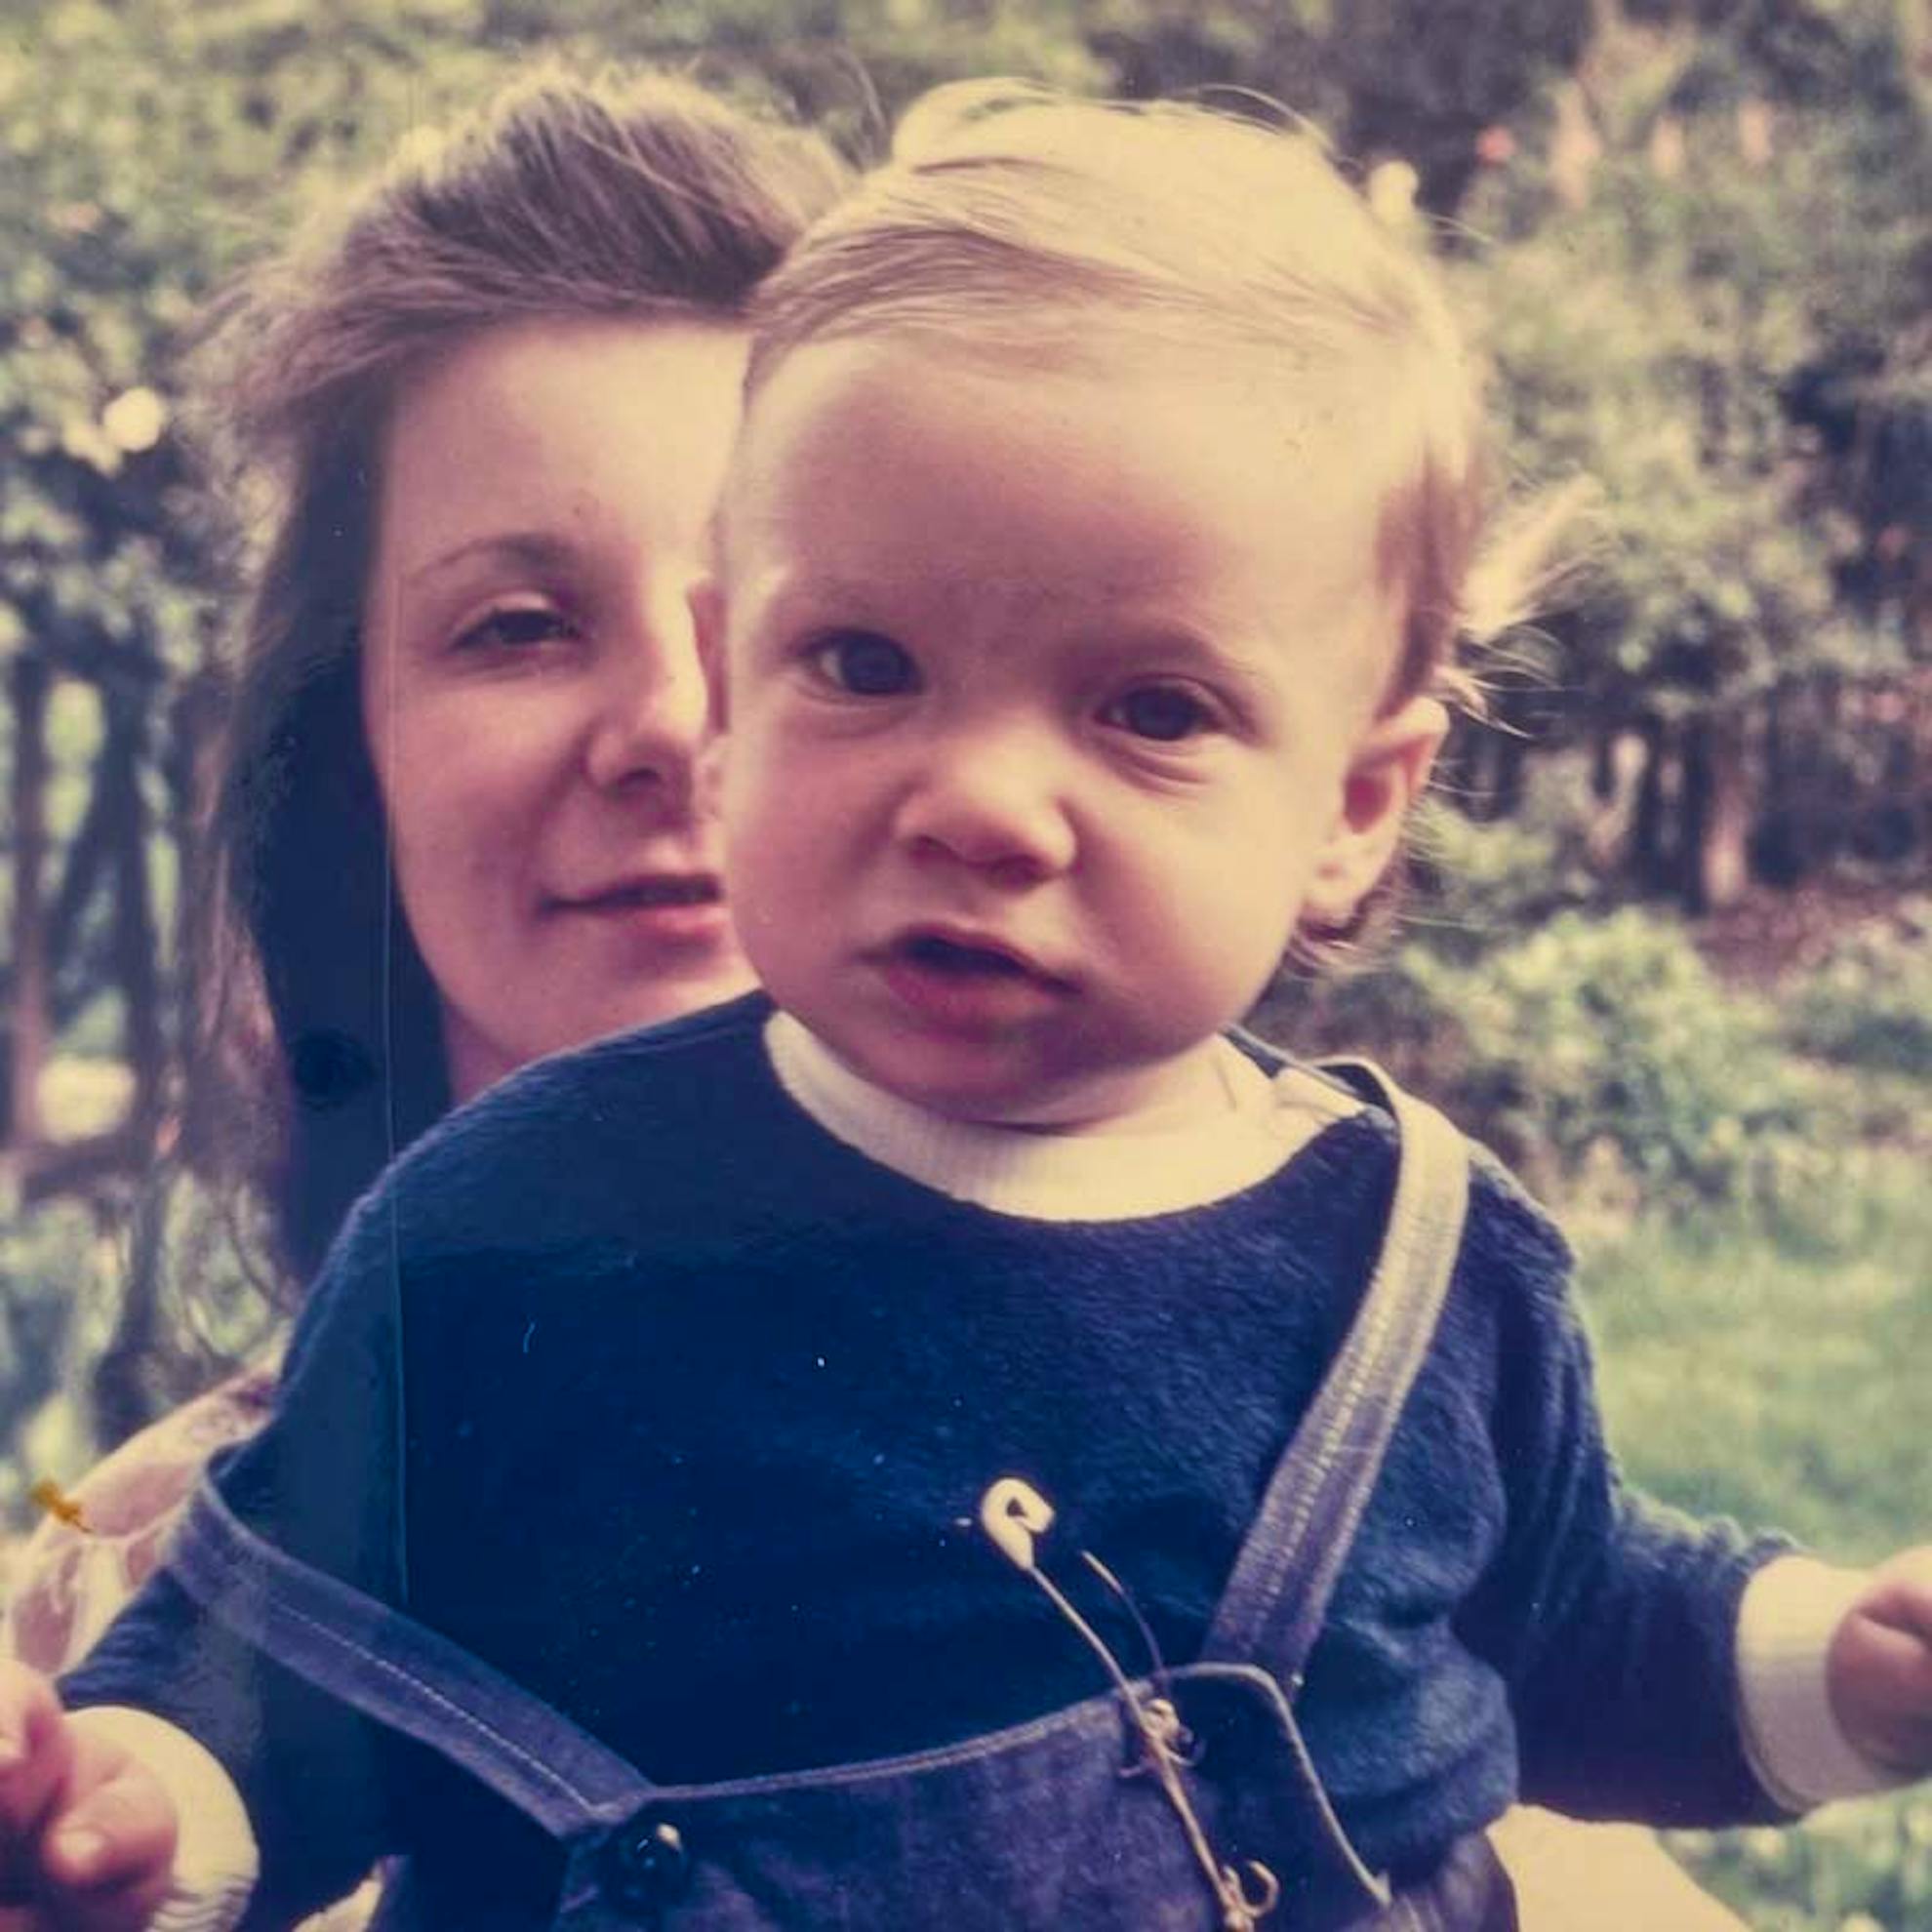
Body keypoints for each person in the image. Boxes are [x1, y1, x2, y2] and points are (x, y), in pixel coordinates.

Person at [14, 80, 1907, 1932]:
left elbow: (1568, 1620)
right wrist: (143, 1817)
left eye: (1149, 705)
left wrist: (1843, 1663)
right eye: (865, 659)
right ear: (741, 687)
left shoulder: (1420, 1258)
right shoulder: (490, 1250)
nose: (985, 800)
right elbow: (276, 1678)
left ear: (1356, 806)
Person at [0, 57, 846, 1926]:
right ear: (354, 761)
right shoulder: (114, 1610)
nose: (670, 725)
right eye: (519, 625)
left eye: (799, 622)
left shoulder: (1291, 1440)